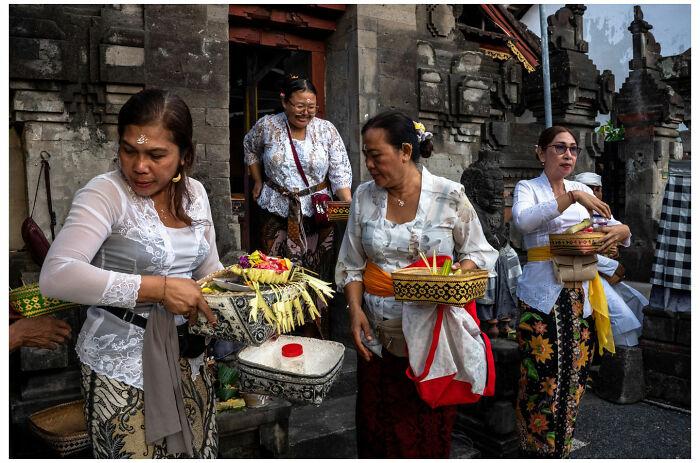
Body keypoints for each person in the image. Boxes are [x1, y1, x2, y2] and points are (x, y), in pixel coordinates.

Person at [39, 89, 220, 458]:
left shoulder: (197, 194)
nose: (139, 166)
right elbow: (57, 275)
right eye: (129, 150)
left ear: (184, 156)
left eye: (156, 155)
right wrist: (157, 289)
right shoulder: (105, 193)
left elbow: (209, 271)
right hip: (120, 366)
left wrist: (256, 303)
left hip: (191, 361)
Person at [335, 111, 498, 458]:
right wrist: (354, 313)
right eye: (365, 154)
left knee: (422, 431)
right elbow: (350, 264)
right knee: (376, 429)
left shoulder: (449, 195)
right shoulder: (364, 197)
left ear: (406, 151)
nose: (368, 164)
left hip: (432, 337)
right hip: (377, 337)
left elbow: (480, 253)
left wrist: (455, 273)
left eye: (375, 154)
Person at [512, 126, 631, 458]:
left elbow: (610, 225)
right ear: (541, 152)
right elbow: (523, 222)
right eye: (559, 148)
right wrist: (571, 198)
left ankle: (561, 447)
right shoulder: (529, 188)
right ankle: (534, 449)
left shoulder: (581, 187)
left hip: (580, 294)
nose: (568, 154)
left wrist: (623, 229)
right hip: (541, 295)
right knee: (541, 376)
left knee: (574, 376)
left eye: (573, 149)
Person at [244, 74, 352, 338]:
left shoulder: (326, 130)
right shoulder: (267, 126)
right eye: (299, 105)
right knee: (277, 277)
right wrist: (257, 181)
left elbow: (339, 170)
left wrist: (348, 204)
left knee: (317, 279)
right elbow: (250, 148)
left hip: (317, 215)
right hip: (277, 211)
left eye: (311, 106)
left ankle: (315, 339)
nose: (306, 112)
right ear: (285, 102)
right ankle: (278, 339)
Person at [574, 172, 647, 346]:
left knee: (639, 302)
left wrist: (624, 231)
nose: (592, 195)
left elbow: (621, 233)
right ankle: (622, 357)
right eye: (588, 191)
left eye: (593, 190)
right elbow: (576, 250)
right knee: (622, 316)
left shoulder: (602, 212)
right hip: (581, 273)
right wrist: (613, 266)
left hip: (601, 272)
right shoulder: (571, 214)